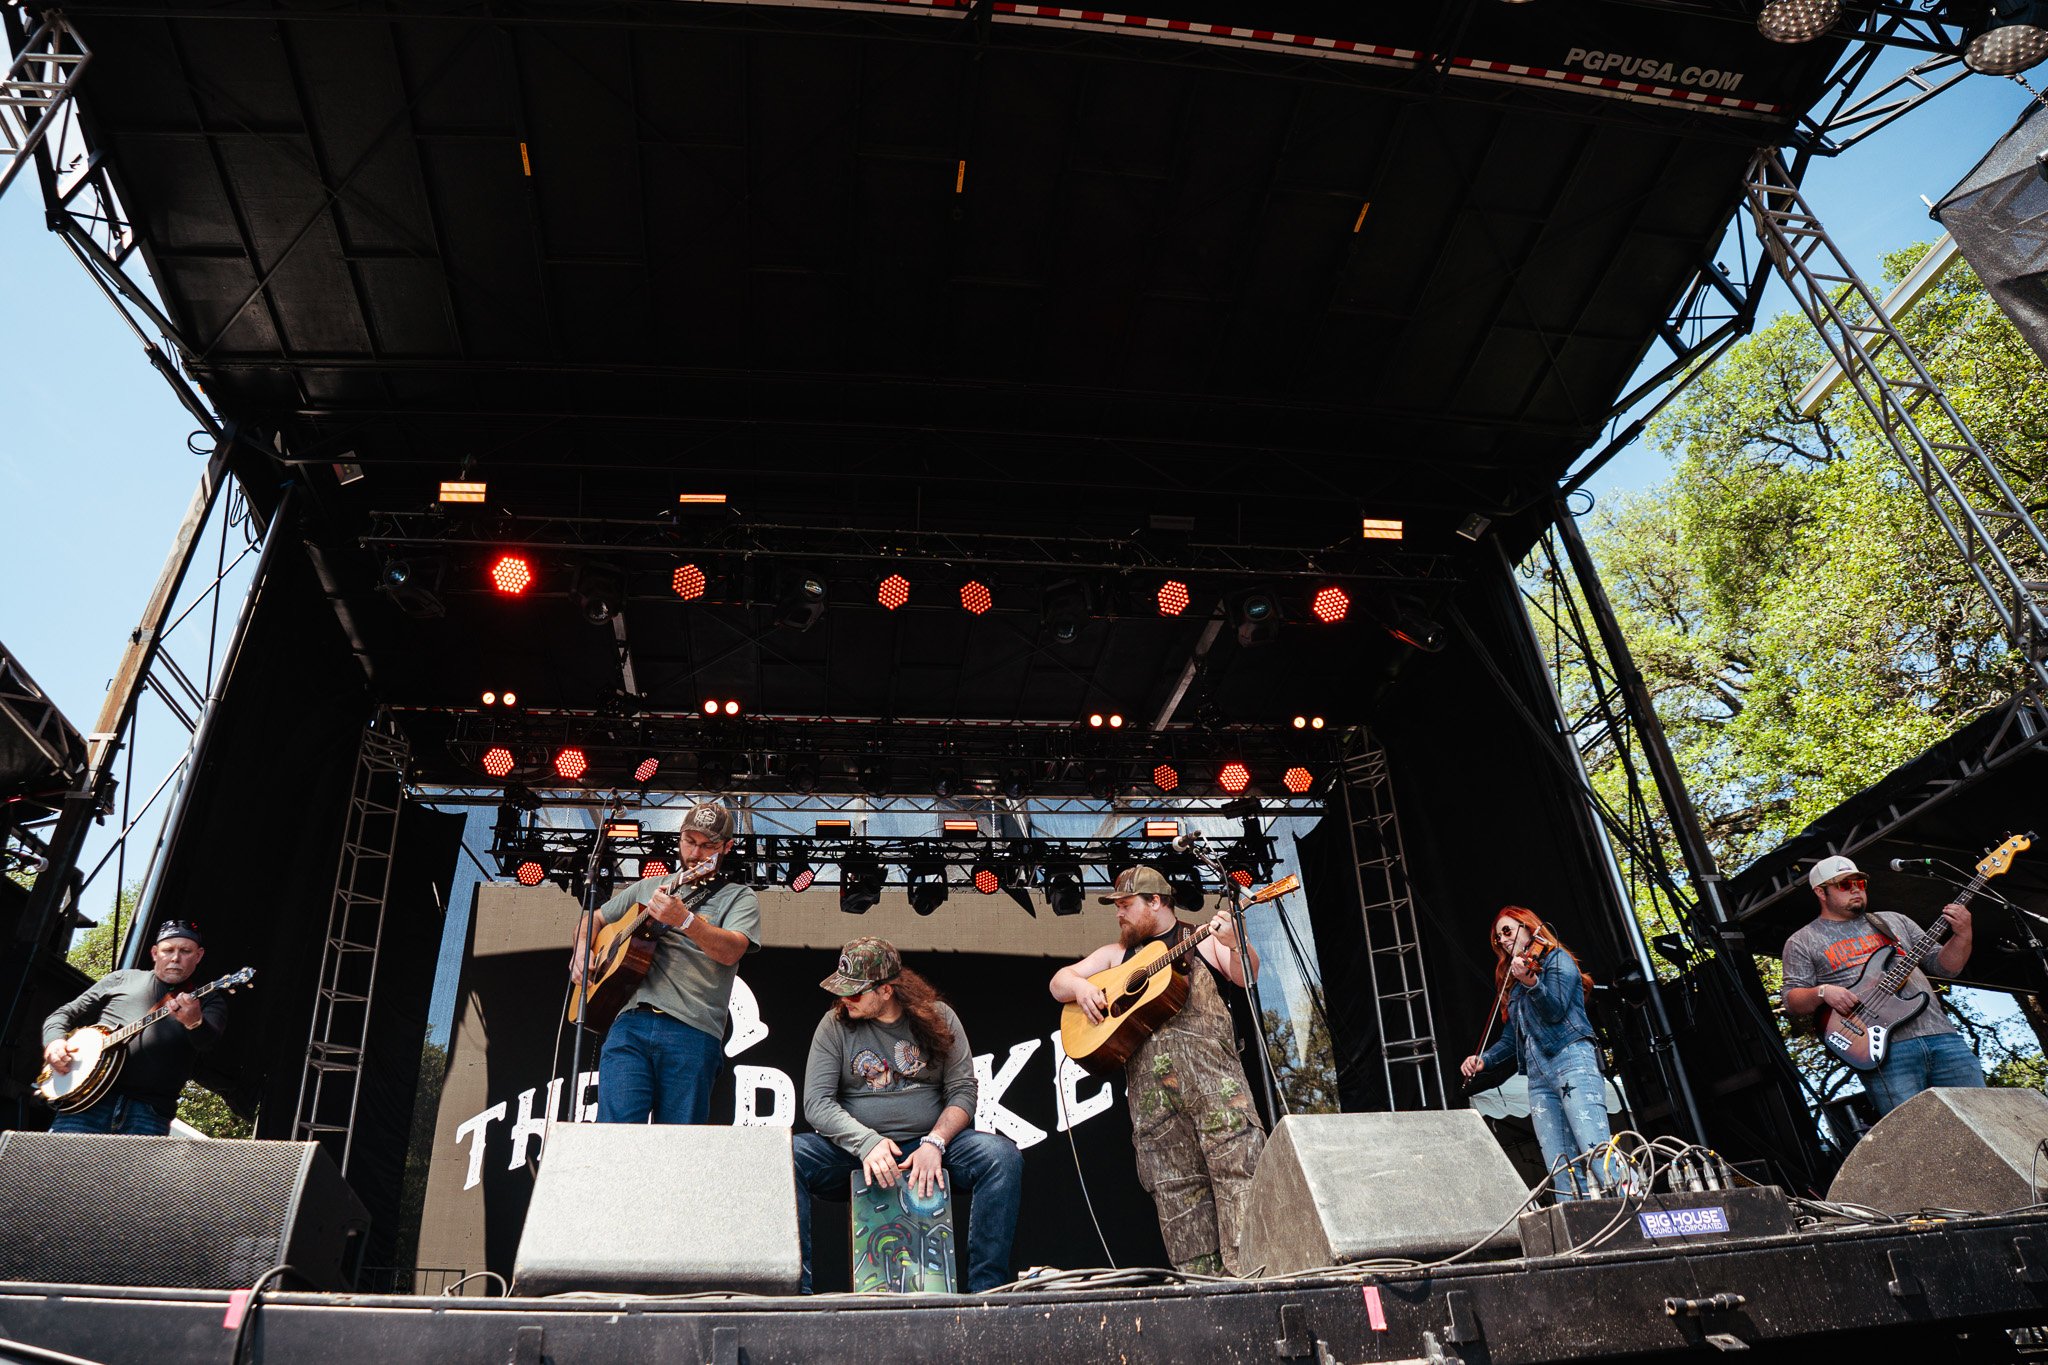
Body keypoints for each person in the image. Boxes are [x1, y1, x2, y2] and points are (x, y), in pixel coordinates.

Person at [1049, 865, 1264, 1276]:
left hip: (1215, 1090)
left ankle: (1251, 1284)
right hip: (1154, 1109)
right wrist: (1081, 988)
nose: (1119, 914)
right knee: (1176, 1195)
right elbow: (1060, 981)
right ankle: (1202, 1293)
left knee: (1240, 1175)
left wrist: (1235, 943)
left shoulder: (1196, 938)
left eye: (1127, 905)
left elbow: (1246, 974)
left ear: (1156, 902)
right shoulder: (1117, 956)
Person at [794, 937, 1022, 1293]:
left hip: (926, 1147)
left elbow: (963, 1091)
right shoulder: (834, 1025)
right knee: (787, 1158)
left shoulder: (939, 1017)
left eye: (854, 993)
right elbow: (817, 1104)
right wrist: (867, 1143)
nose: (844, 1001)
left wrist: (935, 1142)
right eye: (842, 991)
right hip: (857, 1151)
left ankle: (986, 1292)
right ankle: (797, 1295)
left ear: (885, 990)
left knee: (1000, 1157)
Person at [570, 801, 759, 1124]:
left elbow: (731, 951)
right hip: (630, 1022)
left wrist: (685, 920)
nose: (695, 853)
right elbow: (594, 918)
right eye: (689, 841)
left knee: (678, 1145)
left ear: (727, 846)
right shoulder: (648, 887)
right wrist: (583, 950)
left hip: (692, 1028)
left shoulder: (739, 897)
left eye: (708, 846)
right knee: (614, 1134)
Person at [1782, 854, 1981, 1115]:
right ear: (1821, 892)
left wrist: (1963, 933)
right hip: (1883, 1051)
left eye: (1859, 883)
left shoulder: (1893, 921)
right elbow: (1792, 1000)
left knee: (1979, 1117)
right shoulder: (1803, 941)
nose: (1855, 889)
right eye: (1844, 884)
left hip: (1942, 1037)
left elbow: (1947, 967)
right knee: (1914, 1134)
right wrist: (1823, 992)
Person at [1459, 906, 1613, 1201]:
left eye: (1508, 930)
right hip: (1538, 1074)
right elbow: (1510, 1039)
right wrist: (1484, 1060)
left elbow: (1555, 1009)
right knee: (1559, 1166)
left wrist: (1532, 983)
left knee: (1595, 1148)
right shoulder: (1514, 985)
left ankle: (1631, 1211)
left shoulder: (1557, 960)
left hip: (1571, 1059)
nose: (1502, 940)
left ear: (1528, 926)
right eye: (1497, 938)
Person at [41, 920, 227, 1135]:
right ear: (155, 953)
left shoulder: (208, 1000)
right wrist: (54, 1042)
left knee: (134, 1171)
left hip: (149, 1112)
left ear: (199, 955)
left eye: (185, 951)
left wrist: (195, 1022)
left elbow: (208, 1044)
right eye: (168, 950)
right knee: (60, 1168)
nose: (175, 958)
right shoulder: (122, 979)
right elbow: (63, 1014)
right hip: (86, 1104)